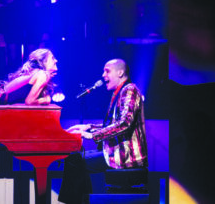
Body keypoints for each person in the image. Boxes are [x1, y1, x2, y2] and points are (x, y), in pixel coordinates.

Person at [58, 59, 148, 204]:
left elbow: (125, 123)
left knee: (75, 161)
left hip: (125, 156)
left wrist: (92, 135)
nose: (103, 75)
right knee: (75, 158)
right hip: (116, 152)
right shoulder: (119, 92)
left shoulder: (129, 89)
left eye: (107, 71)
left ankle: (78, 201)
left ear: (120, 72)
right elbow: (112, 124)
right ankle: (82, 200)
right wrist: (87, 127)